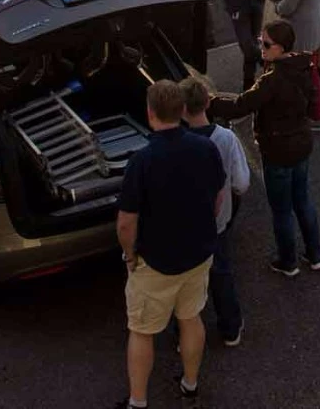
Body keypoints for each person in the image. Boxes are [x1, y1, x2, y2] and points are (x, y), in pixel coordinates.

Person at [113, 80, 227, 409]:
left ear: (150, 113)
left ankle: (138, 402)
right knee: (191, 319)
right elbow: (218, 197)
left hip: (155, 263)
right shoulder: (206, 148)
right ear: (181, 111)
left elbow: (126, 222)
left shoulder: (142, 161)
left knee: (142, 331)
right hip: (199, 254)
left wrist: (130, 255)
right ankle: (190, 385)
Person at [209, 19, 320, 279]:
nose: (261, 47)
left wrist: (211, 103)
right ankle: (315, 254)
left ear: (281, 48)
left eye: (266, 44)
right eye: (261, 41)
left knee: (282, 210)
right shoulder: (304, 66)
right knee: (303, 200)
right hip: (302, 143)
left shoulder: (272, 80)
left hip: (277, 150)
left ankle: (288, 262)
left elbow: (241, 105)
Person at [178, 76, 249, 349]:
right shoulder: (226, 139)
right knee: (221, 273)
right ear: (208, 102)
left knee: (185, 281)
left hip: (185, 225)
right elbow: (241, 183)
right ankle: (230, 328)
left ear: (181, 109)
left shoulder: (177, 143)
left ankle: (183, 334)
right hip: (217, 222)